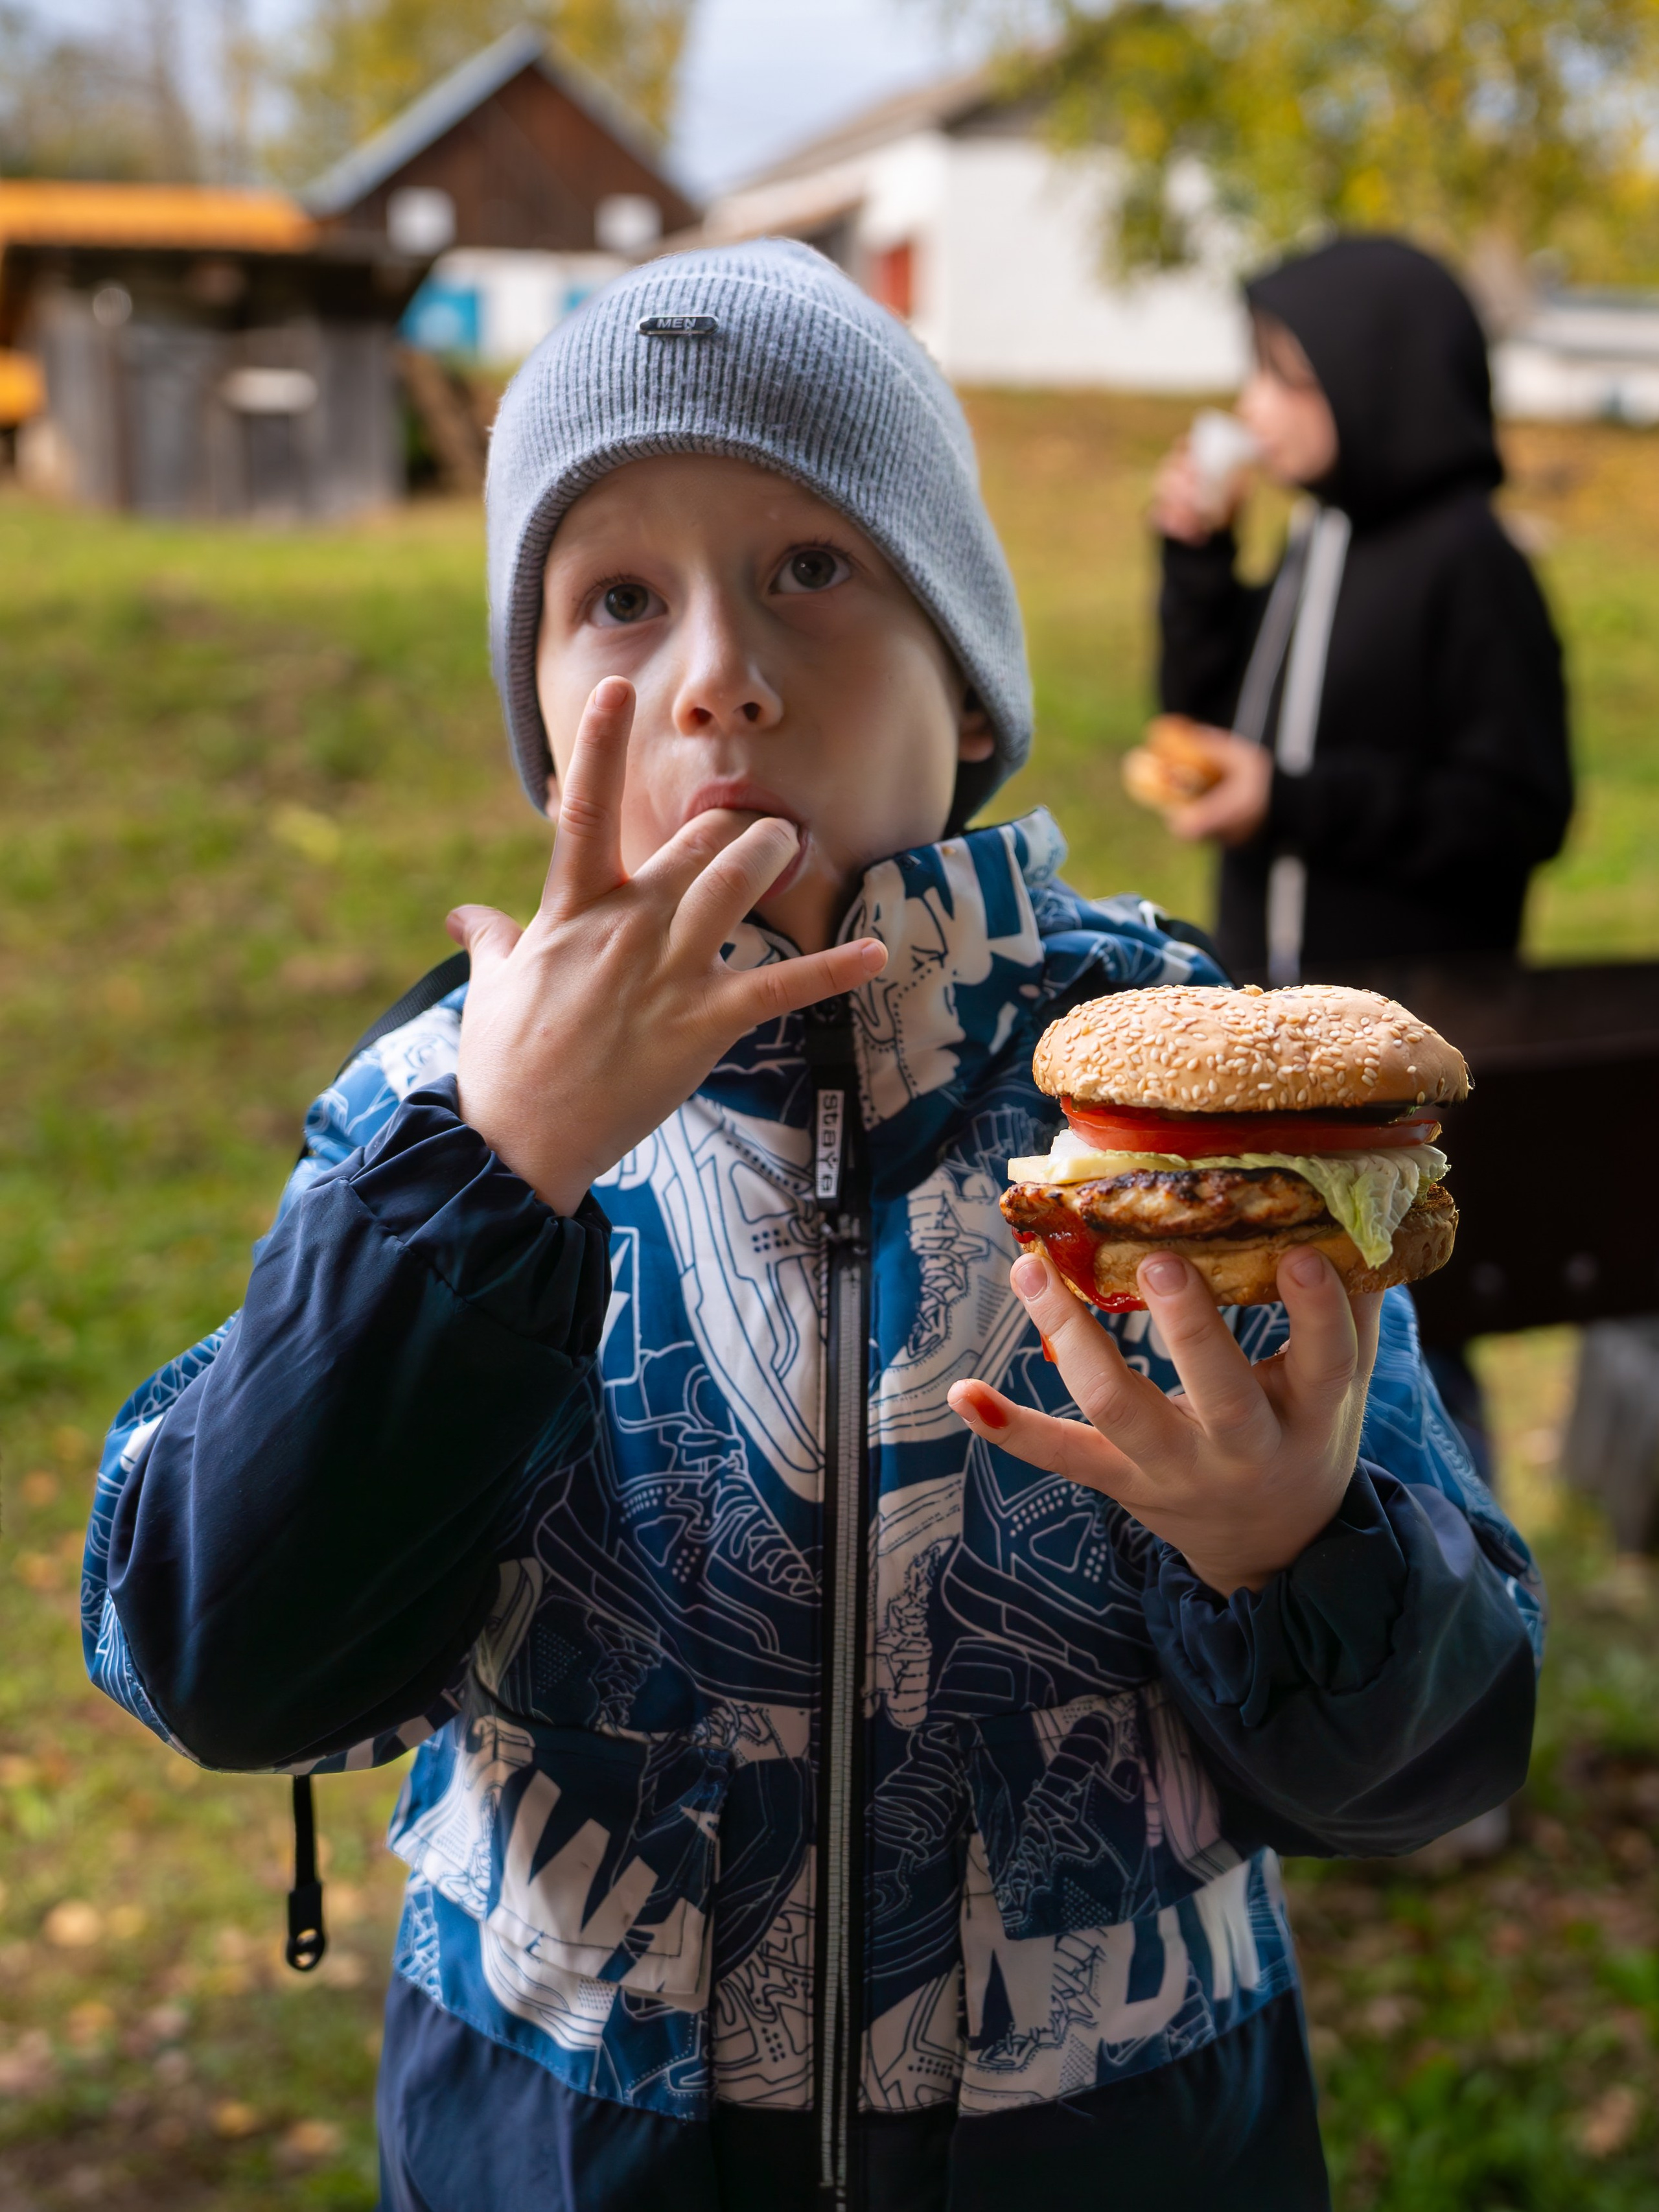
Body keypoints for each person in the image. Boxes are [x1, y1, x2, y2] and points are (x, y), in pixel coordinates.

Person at [83, 242, 1541, 2212]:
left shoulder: (1182, 1115)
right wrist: (492, 1182)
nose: (721, 675)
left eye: (810, 566)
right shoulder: (431, 1121)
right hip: (570, 2148)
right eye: (618, 599)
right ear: (542, 716)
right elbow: (224, 1658)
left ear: (967, 684)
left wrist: (1293, 1544)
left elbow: (1432, 1760)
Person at [1150, 235, 1573, 986]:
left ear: (1378, 382)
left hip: (1412, 1017)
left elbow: (1517, 811)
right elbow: (1208, 717)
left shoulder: (1471, 563)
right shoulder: (1320, 529)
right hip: (1270, 1004)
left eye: (1288, 380)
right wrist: (1198, 563)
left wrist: (1289, 802)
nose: (1252, 407)